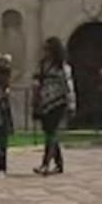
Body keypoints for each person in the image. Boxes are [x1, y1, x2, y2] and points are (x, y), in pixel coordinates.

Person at [32, 38, 75, 176]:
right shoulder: (42, 65)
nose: (45, 52)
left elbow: (68, 86)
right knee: (50, 133)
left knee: (51, 133)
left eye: (48, 49)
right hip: (45, 103)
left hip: (58, 102)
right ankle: (59, 164)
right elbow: (36, 79)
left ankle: (45, 164)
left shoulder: (62, 67)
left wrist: (71, 104)